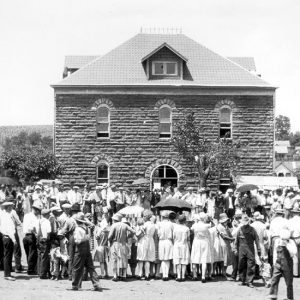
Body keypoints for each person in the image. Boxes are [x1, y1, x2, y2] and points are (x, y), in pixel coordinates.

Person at [71, 212, 101, 291]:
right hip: (87, 250)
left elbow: (77, 241)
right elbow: (92, 226)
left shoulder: (78, 229)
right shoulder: (86, 228)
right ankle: (96, 284)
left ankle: (75, 285)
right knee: (91, 267)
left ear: (77, 221)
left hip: (80, 250)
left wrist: (84, 238)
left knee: (77, 268)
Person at [269, 229, 297, 300]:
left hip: (287, 264)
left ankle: (290, 297)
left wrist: (287, 245)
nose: (283, 240)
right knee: (274, 279)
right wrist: (274, 262)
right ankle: (273, 296)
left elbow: (294, 252)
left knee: (289, 282)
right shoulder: (277, 241)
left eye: (285, 239)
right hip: (278, 263)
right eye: (282, 238)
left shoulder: (291, 242)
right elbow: (275, 252)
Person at [234, 215, 261, 288]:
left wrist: (259, 249)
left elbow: (257, 240)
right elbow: (236, 240)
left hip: (250, 249)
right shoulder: (239, 229)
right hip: (241, 249)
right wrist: (235, 249)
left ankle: (250, 281)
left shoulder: (252, 230)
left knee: (251, 265)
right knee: (241, 264)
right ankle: (243, 280)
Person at [108, 213, 135, 281]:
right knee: (123, 260)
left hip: (115, 243)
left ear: (115, 219)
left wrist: (110, 240)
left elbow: (109, 236)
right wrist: (128, 236)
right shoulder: (125, 225)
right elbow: (133, 231)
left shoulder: (113, 225)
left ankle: (115, 275)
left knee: (114, 260)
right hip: (123, 244)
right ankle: (123, 275)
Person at [23, 200, 43, 275]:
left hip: (25, 236)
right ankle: (31, 270)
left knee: (28, 253)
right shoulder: (34, 217)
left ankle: (30, 267)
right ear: (36, 210)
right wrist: (37, 234)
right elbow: (33, 228)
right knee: (32, 253)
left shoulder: (26, 215)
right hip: (31, 236)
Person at [191, 212, 212, 282]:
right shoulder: (207, 226)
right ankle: (203, 276)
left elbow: (191, 229)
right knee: (204, 260)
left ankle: (194, 275)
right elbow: (213, 225)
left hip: (196, 241)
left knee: (195, 259)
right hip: (204, 242)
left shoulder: (195, 225)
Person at [136, 210, 156, 280]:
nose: (143, 217)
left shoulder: (144, 225)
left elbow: (138, 234)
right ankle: (147, 274)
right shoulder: (153, 224)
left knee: (141, 258)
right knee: (147, 258)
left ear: (146, 217)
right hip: (151, 240)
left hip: (144, 240)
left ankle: (140, 273)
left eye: (144, 216)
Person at [0, 201, 17, 280]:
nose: (12, 208)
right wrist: (14, 239)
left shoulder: (5, 215)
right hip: (8, 237)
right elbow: (9, 230)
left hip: (5, 237)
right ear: (8, 207)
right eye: (11, 206)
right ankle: (7, 274)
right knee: (7, 256)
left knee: (7, 255)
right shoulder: (7, 217)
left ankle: (8, 273)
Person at [93, 209, 111, 279]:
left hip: (100, 246)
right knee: (105, 261)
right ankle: (106, 273)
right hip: (106, 246)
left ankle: (103, 274)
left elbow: (97, 238)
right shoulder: (107, 230)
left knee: (101, 262)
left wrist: (95, 233)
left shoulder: (101, 231)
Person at [157, 211, 174, 281]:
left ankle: (164, 274)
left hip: (161, 241)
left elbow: (158, 234)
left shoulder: (159, 224)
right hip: (168, 241)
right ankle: (166, 274)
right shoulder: (171, 224)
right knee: (167, 258)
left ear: (162, 217)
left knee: (163, 258)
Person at [173, 214, 190, 281]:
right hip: (184, 245)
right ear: (185, 221)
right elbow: (188, 239)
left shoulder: (175, 228)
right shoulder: (186, 228)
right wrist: (190, 247)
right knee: (184, 261)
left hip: (177, 245)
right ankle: (183, 276)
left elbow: (173, 238)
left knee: (178, 261)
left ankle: (178, 276)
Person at [216, 213, 234, 278]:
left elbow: (229, 233)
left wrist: (231, 237)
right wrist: (232, 239)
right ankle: (223, 272)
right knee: (224, 259)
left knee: (227, 259)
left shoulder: (225, 226)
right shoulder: (219, 226)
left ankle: (224, 272)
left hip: (227, 244)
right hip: (223, 244)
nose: (226, 222)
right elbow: (223, 236)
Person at [37, 208, 52, 279]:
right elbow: (49, 232)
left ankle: (39, 271)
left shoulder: (39, 221)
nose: (49, 215)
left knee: (40, 256)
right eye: (48, 214)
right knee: (44, 257)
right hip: (45, 240)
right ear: (46, 215)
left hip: (39, 239)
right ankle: (43, 274)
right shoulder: (47, 221)